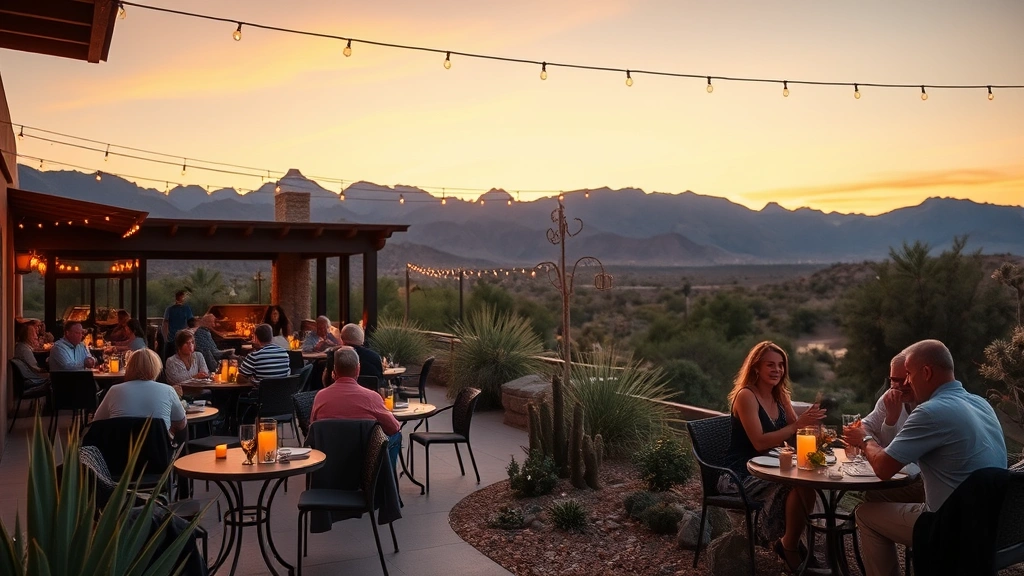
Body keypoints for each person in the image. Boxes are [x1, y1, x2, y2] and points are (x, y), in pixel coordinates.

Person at [846, 339, 1007, 576]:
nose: (907, 382)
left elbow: (882, 468)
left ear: (927, 372)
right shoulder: (981, 403)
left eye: (909, 374)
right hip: (993, 522)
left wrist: (864, 439)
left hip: (951, 526)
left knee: (866, 514)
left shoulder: (931, 411)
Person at [721, 341, 826, 572]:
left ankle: (789, 543)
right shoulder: (746, 396)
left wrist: (813, 429)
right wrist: (797, 426)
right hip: (741, 473)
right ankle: (790, 548)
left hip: (774, 468)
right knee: (796, 487)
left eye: (780, 365)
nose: (777, 370)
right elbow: (759, 442)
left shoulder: (781, 396)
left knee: (808, 483)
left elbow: (796, 434)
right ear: (756, 367)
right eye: (770, 364)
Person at [311, 346, 402, 469]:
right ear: (358, 369)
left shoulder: (320, 397)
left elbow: (313, 429)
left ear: (334, 371)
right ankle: (384, 483)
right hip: (364, 463)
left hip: (330, 461)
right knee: (396, 436)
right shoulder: (371, 398)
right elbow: (394, 427)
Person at [853, 352, 925, 504]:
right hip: (897, 473)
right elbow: (864, 425)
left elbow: (886, 466)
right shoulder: (890, 397)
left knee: (872, 498)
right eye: (893, 380)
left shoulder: (926, 408)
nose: (898, 386)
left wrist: (888, 423)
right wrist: (888, 422)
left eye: (904, 380)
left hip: (921, 482)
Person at [93, 349, 186, 436]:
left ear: (129, 367)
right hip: (157, 450)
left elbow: (97, 422)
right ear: (156, 368)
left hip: (120, 450)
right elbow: (181, 423)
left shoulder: (114, 390)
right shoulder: (168, 390)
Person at [13, 323, 49, 388]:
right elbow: (35, 369)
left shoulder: (22, 346)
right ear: (28, 336)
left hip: (28, 377)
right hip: (32, 379)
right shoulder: (24, 350)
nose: (36, 336)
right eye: (34, 333)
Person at [162, 290, 193, 358]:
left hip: (176, 338)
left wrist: (165, 338)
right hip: (177, 339)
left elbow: (165, 324)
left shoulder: (170, 309)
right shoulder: (185, 309)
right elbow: (191, 323)